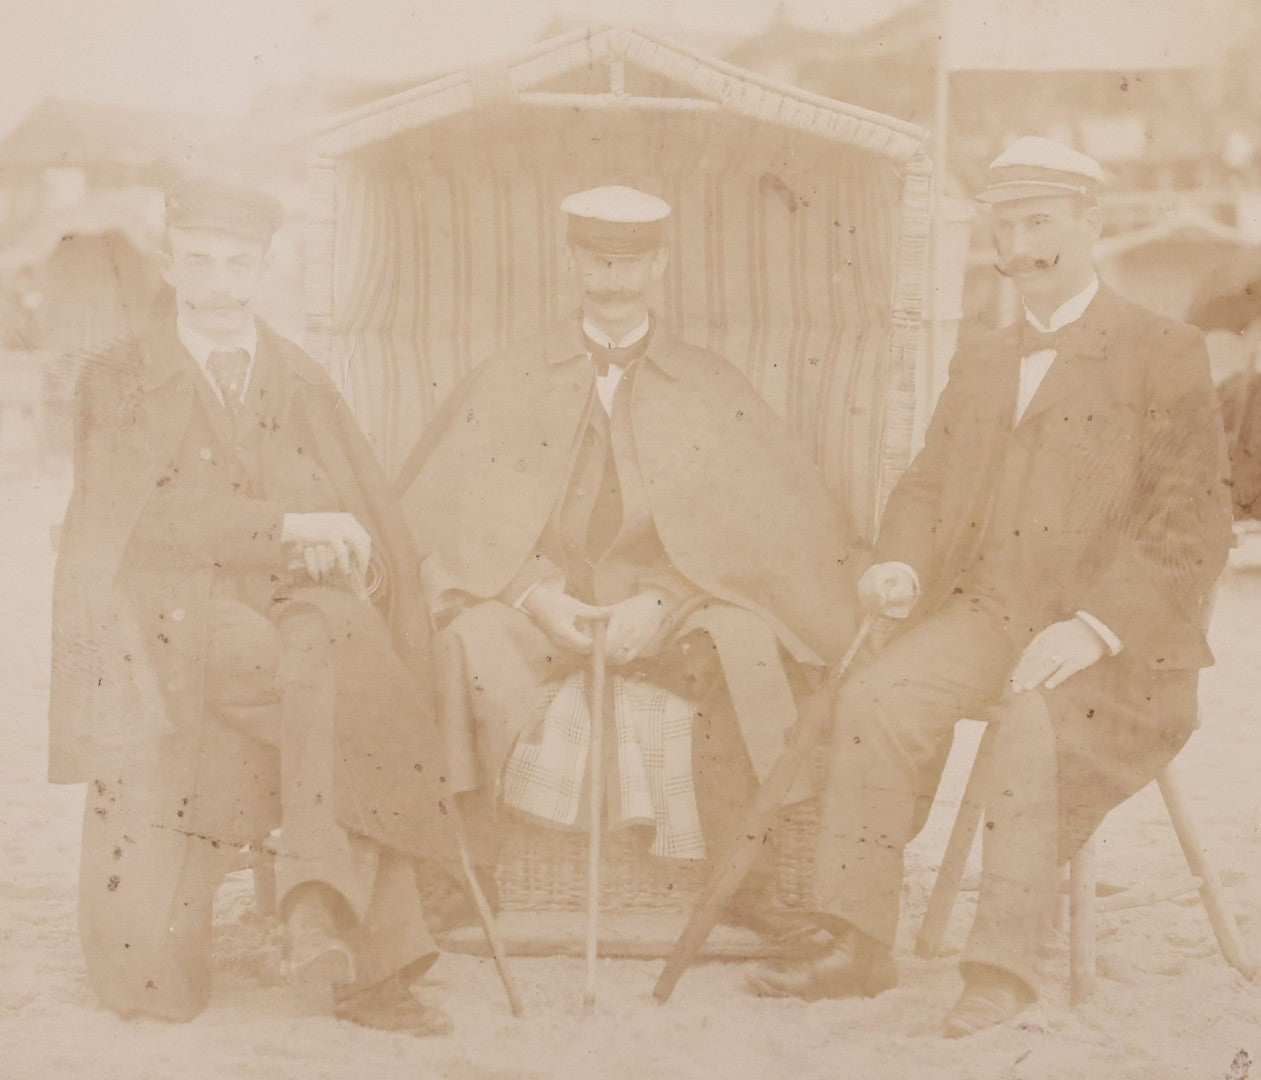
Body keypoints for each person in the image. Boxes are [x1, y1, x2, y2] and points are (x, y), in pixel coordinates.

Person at [749, 137, 1233, 1035]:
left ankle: (1002, 967)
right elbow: (928, 482)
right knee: (876, 698)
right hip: (986, 612)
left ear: (1090, 225)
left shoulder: (1162, 350)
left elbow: (1190, 522)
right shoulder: (980, 356)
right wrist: (899, 560)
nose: (1024, 245)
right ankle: (858, 943)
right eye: (1006, 227)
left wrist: (1091, 626)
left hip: (1109, 641)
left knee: (1028, 727)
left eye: (1041, 221)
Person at [49, 175, 455, 1035]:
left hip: (287, 604)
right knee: (334, 681)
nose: (222, 284)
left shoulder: (300, 377)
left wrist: (334, 537)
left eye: (241, 265)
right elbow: (132, 522)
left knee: (347, 647)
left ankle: (316, 903)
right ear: (171, 264)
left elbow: (352, 503)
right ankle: (327, 906)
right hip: (170, 618)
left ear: (266, 268)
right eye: (201, 263)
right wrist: (285, 522)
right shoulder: (121, 375)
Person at [398, 185, 861, 922]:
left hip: (672, 610)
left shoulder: (710, 384)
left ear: (661, 265)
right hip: (539, 609)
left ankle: (744, 877)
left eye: (632, 262)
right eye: (596, 260)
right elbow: (446, 520)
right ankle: (463, 874)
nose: (613, 280)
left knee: (744, 646)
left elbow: (762, 532)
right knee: (464, 644)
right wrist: (532, 596)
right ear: (570, 263)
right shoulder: (511, 374)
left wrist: (664, 600)